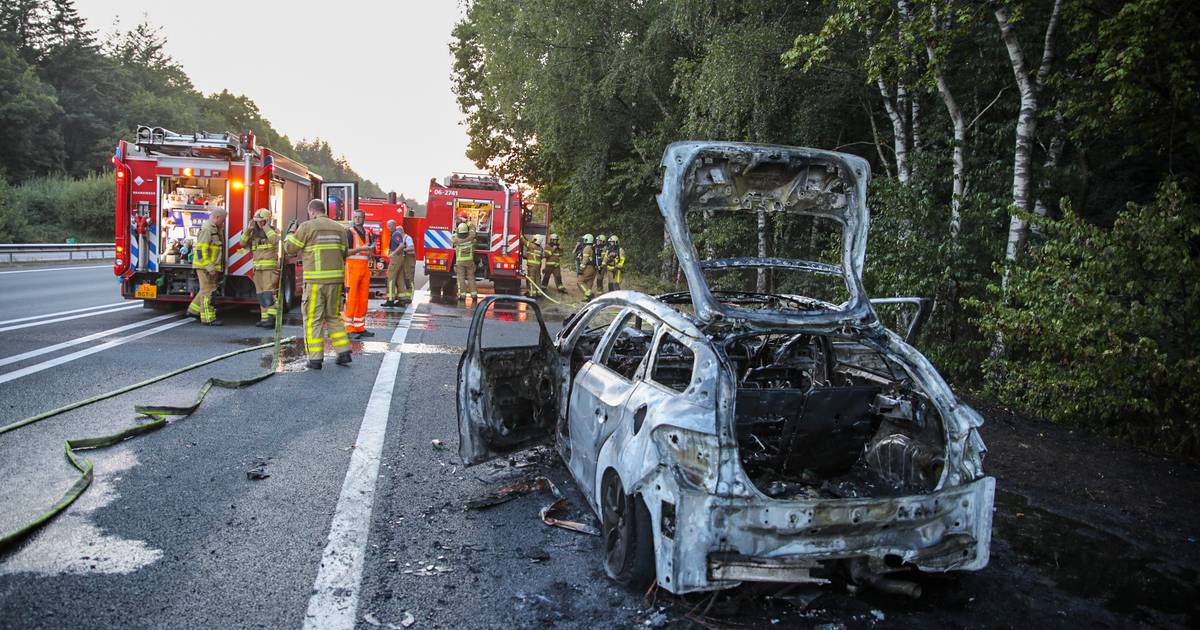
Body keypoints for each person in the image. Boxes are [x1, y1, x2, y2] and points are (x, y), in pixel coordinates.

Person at [284, 199, 352, 370]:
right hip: (336, 281)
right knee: (333, 316)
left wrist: (291, 232)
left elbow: (290, 248)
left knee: (314, 319)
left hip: (315, 282)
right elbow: (344, 252)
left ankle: (315, 358)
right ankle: (343, 352)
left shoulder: (308, 226)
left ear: (312, 211)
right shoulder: (339, 228)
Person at [239, 208, 281, 328]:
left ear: (267, 220)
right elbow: (242, 244)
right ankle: (264, 319)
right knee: (261, 294)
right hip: (258, 268)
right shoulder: (253, 233)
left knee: (269, 294)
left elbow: (274, 240)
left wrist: (266, 227)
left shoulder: (273, 231)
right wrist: (248, 230)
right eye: (257, 221)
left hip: (269, 268)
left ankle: (273, 319)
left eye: (261, 221)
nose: (259, 223)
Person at [187, 208, 226, 326]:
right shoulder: (207, 229)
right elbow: (200, 250)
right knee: (208, 292)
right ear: (217, 217)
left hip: (210, 266)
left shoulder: (215, 228)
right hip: (205, 267)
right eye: (223, 219)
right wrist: (209, 266)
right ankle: (208, 318)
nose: (224, 222)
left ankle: (193, 311)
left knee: (206, 289)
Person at [342, 209, 376, 339]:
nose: (357, 219)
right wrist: (362, 249)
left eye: (360, 217)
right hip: (352, 269)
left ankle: (359, 326)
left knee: (362, 299)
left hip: (364, 269)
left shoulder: (368, 233)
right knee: (351, 298)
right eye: (355, 217)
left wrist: (370, 252)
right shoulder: (349, 233)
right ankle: (349, 327)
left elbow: (370, 252)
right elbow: (346, 252)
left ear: (364, 218)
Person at [383, 219, 414, 307]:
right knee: (400, 278)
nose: (387, 228)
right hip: (400, 258)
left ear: (393, 226)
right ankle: (402, 299)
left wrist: (393, 253)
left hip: (396, 258)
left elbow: (401, 245)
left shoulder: (396, 234)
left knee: (390, 278)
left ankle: (390, 299)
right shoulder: (397, 234)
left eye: (389, 226)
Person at [452, 221, 477, 301]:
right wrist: (470, 224)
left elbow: (454, 235)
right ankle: (474, 295)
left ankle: (462, 295)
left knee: (461, 278)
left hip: (460, 262)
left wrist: (457, 228)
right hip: (469, 261)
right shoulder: (471, 237)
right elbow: (473, 231)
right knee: (471, 277)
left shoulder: (456, 240)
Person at [577, 233, 596, 300]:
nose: (583, 241)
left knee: (580, 281)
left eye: (584, 240)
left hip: (588, 268)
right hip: (594, 268)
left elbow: (585, 260)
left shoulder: (587, 248)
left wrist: (581, 268)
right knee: (589, 282)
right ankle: (587, 298)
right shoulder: (593, 247)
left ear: (587, 240)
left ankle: (589, 294)